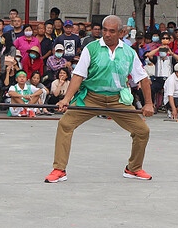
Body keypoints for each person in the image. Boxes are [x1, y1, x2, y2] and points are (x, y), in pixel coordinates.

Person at [45, 15, 153, 183]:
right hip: (91, 97)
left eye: (112, 31)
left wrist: (148, 103)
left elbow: (143, 79)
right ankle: (59, 169)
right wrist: (66, 99)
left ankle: (133, 168)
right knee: (65, 124)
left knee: (142, 131)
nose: (107, 34)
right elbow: (78, 75)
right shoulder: (91, 48)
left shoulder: (129, 52)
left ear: (122, 32)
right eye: (104, 30)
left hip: (118, 99)